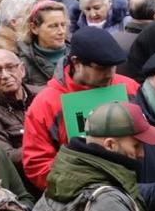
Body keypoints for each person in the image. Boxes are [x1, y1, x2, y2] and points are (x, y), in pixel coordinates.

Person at [21, 27, 141, 190]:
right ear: (76, 63)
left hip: (137, 185)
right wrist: (83, 185)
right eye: (101, 68)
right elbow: (38, 165)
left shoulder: (129, 88)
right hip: (82, 195)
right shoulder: (46, 104)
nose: (110, 74)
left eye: (113, 67)